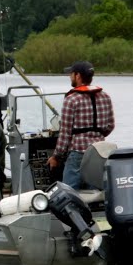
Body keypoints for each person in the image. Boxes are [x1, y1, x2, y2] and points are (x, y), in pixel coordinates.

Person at [47, 61, 115, 190]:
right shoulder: (106, 97)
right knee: (95, 192)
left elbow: (65, 134)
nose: (70, 77)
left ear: (78, 76)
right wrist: (96, 136)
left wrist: (56, 156)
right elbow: (110, 125)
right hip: (99, 152)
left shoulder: (71, 99)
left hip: (78, 153)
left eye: (71, 74)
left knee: (68, 192)